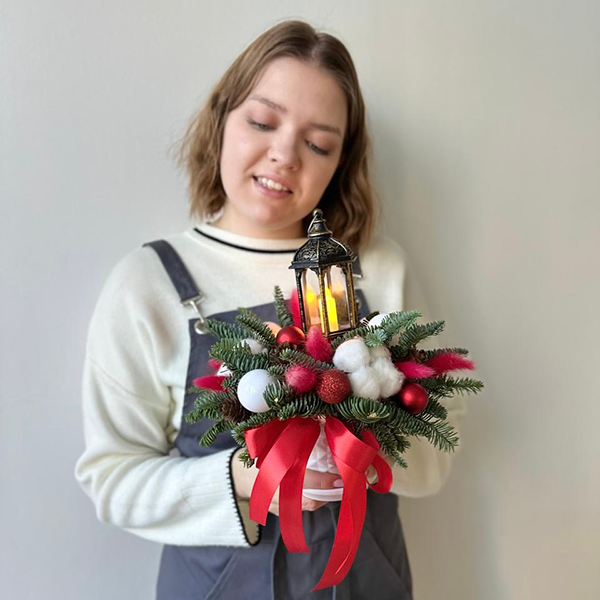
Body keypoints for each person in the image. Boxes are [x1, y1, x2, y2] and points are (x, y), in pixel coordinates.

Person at [75, 19, 465, 600]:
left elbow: (439, 450)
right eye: (262, 122)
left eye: (318, 144)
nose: (283, 155)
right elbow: (112, 480)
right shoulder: (148, 285)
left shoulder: (378, 268)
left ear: (340, 162)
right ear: (221, 121)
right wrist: (246, 476)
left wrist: (359, 454)